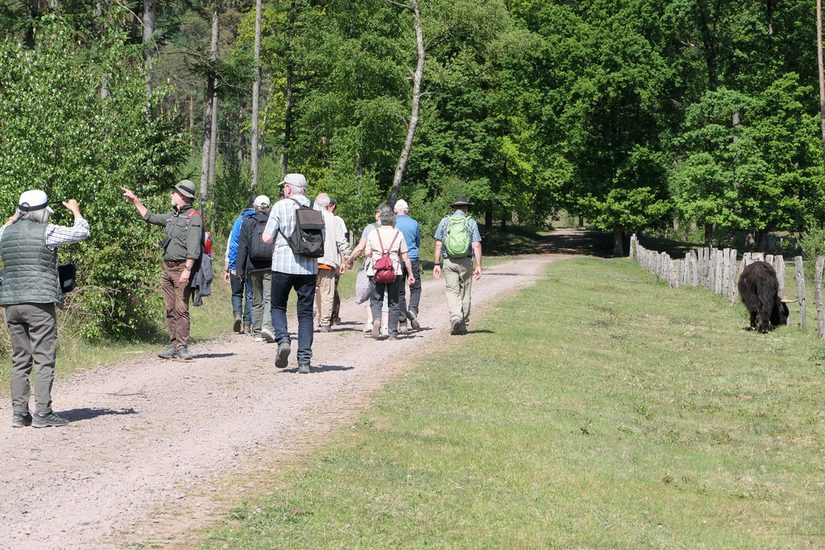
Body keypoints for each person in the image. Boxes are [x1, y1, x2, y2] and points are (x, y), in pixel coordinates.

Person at [0, 190, 90, 428]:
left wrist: (12, 220)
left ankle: (19, 414)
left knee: (20, 360)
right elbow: (82, 231)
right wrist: (75, 210)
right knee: (43, 359)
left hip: (10, 305)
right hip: (38, 303)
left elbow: (7, 226)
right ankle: (43, 413)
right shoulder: (47, 231)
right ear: (42, 212)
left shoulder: (4, 232)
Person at [122, 180, 204, 360]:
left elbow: (194, 248)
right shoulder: (172, 217)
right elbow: (149, 216)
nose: (171, 195)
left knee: (181, 308)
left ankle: (182, 347)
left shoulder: (193, 217)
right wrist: (135, 200)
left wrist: (187, 270)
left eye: (174, 193)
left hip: (182, 268)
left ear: (182, 196)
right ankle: (173, 344)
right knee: (170, 308)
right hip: (167, 268)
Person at [262, 173, 322, 374]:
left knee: (277, 305)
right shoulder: (317, 208)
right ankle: (304, 360)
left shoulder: (280, 206)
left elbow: (267, 238)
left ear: (288, 189)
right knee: (305, 314)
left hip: (283, 267)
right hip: (309, 268)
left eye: (284, 187)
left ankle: (284, 339)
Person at [433, 195, 482, 335]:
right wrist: (478, 265)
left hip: (449, 261)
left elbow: (438, 243)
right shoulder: (470, 222)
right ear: (466, 208)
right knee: (466, 292)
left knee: (452, 290)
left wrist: (436, 263)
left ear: (454, 208)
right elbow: (476, 244)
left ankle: (455, 317)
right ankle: (463, 325)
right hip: (466, 261)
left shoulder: (445, 221)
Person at [364, 208, 415, 340]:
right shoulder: (398, 234)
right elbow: (405, 256)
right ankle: (393, 332)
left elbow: (367, 253)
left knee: (376, 300)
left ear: (380, 220)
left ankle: (376, 320)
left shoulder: (372, 233)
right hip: (395, 271)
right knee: (393, 302)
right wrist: (410, 274)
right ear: (392, 221)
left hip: (376, 271)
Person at [235, 195, 276, 342]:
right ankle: (267, 326)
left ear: (255, 207)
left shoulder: (247, 223)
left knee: (256, 300)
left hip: (253, 267)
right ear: (268, 207)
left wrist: (239, 270)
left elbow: (243, 248)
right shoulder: (274, 222)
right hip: (271, 266)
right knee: (269, 298)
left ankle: (257, 332)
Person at [345, 204, 390, 335]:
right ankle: (385, 327)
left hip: (373, 265)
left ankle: (371, 320)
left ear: (378, 214)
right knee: (386, 294)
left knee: (372, 292)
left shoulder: (370, 228)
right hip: (389, 266)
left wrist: (350, 260)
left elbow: (360, 247)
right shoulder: (394, 228)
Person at [313, 193, 351, 332]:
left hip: (311, 260)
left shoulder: (310, 216)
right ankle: (324, 323)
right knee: (327, 292)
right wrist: (348, 258)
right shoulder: (333, 219)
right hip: (327, 260)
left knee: (315, 292)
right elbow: (341, 241)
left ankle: (318, 319)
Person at [226, 200, 255, 334]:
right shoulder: (260, 220)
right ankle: (248, 324)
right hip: (253, 262)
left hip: (237, 261)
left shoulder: (239, 220)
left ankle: (237, 314)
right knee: (251, 293)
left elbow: (233, 245)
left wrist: (231, 266)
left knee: (237, 292)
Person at [393, 199, 422, 332]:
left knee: (400, 292)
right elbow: (417, 242)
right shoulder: (414, 223)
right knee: (415, 288)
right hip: (413, 258)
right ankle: (413, 310)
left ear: (395, 210)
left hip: (398, 260)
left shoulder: (393, 223)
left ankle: (402, 322)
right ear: (407, 210)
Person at [328, 197, 347, 324]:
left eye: (328, 205)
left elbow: (342, 241)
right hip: (324, 259)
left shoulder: (338, 220)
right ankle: (327, 315)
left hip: (334, 259)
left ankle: (333, 315)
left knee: (333, 288)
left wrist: (344, 261)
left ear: (333, 205)